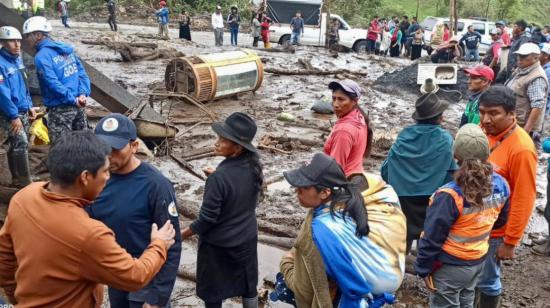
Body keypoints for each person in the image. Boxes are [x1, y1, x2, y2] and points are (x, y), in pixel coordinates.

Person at [0, 131, 176, 306]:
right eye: (105, 172)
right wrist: (159, 244)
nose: (108, 177)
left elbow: (4, 259)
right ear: (85, 177)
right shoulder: (89, 233)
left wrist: (17, 298)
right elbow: (135, 276)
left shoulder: (24, 197)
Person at [278, 153, 405, 307]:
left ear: (325, 192)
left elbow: (304, 291)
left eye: (303, 187)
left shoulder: (320, 232)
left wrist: (287, 262)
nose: (296, 191)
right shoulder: (364, 197)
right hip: (379, 291)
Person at [87, 114, 182, 308]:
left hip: (148, 279)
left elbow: (173, 243)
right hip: (117, 276)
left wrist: (157, 297)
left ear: (134, 146)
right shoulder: (96, 180)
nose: (108, 155)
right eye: (102, 148)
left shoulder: (156, 185)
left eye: (115, 149)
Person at [415, 124, 510, 308]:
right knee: (466, 299)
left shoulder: (449, 195)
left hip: (451, 265)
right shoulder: (501, 184)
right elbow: (501, 221)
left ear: (456, 156)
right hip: (478, 260)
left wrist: (423, 268)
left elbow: (432, 237)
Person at [181, 112, 263, 308]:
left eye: (222, 140)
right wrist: (218, 177)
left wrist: (182, 234)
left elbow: (207, 220)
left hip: (218, 247)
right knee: (248, 285)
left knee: (213, 293)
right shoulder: (254, 169)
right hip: (246, 240)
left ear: (237, 148)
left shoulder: (219, 178)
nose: (216, 143)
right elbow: (239, 192)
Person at [475, 85, 537, 307]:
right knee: (474, 273)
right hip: (476, 222)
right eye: (482, 112)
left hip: (496, 231)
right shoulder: (483, 132)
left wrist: (510, 241)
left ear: (512, 114)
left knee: (488, 279)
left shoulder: (521, 149)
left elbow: (524, 197)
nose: (486, 119)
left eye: (493, 113)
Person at [382, 92, 456, 254]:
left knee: (403, 232)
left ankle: (400, 262)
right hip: (432, 198)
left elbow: (386, 168)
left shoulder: (404, 136)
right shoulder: (445, 138)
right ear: (440, 117)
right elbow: (452, 171)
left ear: (417, 118)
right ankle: (423, 262)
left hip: (404, 198)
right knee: (429, 233)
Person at [23, 16, 90, 144]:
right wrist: (82, 94)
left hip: (61, 109)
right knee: (82, 145)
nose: (26, 39)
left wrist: (72, 99)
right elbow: (81, 73)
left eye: (28, 35)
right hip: (79, 106)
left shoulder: (41, 57)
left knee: (61, 148)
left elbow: (52, 83)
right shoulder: (65, 48)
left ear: (38, 35)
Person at [0, 26, 34, 187]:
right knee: (20, 143)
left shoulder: (17, 59)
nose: (17, 44)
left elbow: (25, 84)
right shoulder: (1, 64)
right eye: (12, 41)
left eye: (19, 41)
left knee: (20, 144)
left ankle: (18, 178)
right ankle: (25, 181)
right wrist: (13, 116)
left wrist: (30, 105)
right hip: (10, 113)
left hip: (22, 109)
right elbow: (2, 94)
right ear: (3, 43)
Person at [324, 80, 371, 183]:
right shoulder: (359, 116)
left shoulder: (344, 131)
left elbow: (335, 169)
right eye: (334, 98)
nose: (335, 104)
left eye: (341, 99)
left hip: (344, 184)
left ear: (354, 101)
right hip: (356, 179)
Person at [505, 42, 548, 143]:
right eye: (519, 55)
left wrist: (526, 130)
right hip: (513, 120)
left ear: (536, 58)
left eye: (524, 56)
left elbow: (537, 105)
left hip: (521, 125)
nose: (520, 58)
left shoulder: (536, 77)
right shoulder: (523, 69)